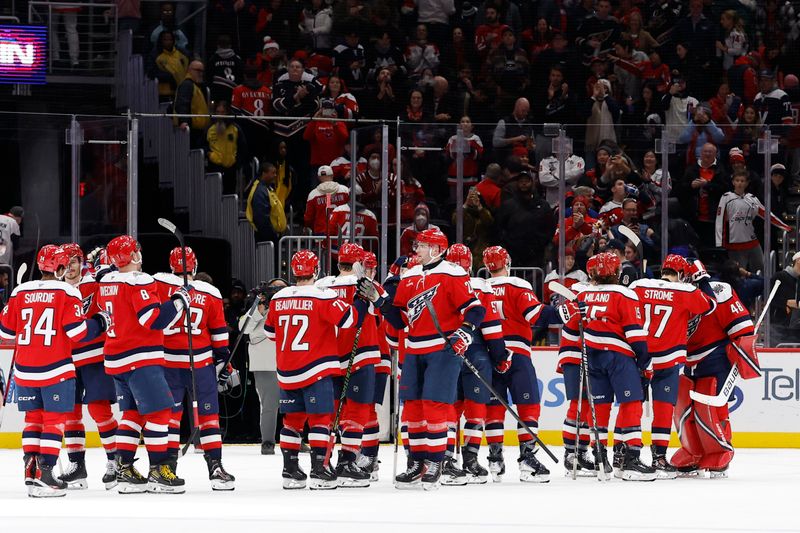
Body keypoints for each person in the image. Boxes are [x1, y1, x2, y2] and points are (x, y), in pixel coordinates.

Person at [0, 245, 109, 497]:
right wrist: (100, 322)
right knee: (54, 421)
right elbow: (78, 333)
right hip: (55, 369)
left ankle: (31, 472)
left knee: (33, 420)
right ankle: (46, 472)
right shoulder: (67, 292)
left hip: (25, 371)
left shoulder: (20, 292)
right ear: (60, 268)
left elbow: (6, 332)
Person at [380, 228, 485, 490]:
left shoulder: (453, 273)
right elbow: (399, 319)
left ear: (437, 249)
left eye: (423, 245)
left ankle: (437, 461)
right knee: (413, 407)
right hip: (414, 349)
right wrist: (380, 301)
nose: (417, 249)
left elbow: (475, 309)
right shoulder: (411, 275)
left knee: (435, 405)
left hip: (442, 349)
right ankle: (416, 462)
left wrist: (466, 332)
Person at [96, 235, 193, 494]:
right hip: (140, 358)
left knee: (132, 415)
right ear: (134, 255)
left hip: (116, 359)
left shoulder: (106, 281)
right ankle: (159, 471)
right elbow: (152, 319)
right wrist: (178, 301)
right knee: (161, 414)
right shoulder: (139, 280)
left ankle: (124, 469)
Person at [264, 250, 368, 490]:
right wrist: (361, 301)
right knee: (321, 419)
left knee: (292, 420)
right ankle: (320, 469)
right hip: (316, 368)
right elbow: (350, 320)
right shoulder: (323, 296)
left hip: (287, 370)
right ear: (317, 270)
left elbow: (271, 334)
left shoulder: (278, 297)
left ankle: (290, 470)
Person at [563, 251, 656, 480]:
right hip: (618, 357)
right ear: (617, 272)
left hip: (591, 356)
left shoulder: (583, 293)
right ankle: (631, 460)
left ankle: (599, 456)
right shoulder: (624, 294)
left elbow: (570, 327)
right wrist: (646, 363)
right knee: (631, 402)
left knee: (599, 408)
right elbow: (635, 334)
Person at [153, 247, 236, 490]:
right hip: (200, 365)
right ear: (195, 266)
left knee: (170, 418)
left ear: (171, 266)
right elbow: (220, 336)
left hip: (167, 364)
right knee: (209, 417)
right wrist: (223, 361)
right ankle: (215, 467)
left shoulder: (158, 285)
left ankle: (167, 468)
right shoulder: (210, 292)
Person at [628, 255, 716, 478]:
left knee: (632, 408)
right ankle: (658, 458)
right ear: (682, 274)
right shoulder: (685, 291)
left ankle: (626, 454)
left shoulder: (639, 285)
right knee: (663, 409)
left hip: (639, 356)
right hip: (667, 358)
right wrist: (703, 277)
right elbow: (711, 305)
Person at [672, 259, 755, 477]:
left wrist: (742, 351)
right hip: (688, 360)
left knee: (709, 405)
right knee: (683, 406)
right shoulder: (674, 293)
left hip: (715, 357)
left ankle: (720, 452)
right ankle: (692, 451)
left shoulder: (720, 291)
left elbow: (743, 326)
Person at [315, 243, 387, 487]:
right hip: (360, 355)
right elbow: (387, 314)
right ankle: (347, 461)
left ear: (338, 263)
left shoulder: (321, 286)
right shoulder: (367, 286)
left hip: (327, 356)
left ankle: (322, 463)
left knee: (329, 411)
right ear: (359, 264)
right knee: (357, 411)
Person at [481, 246, 548, 483]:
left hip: (491, 355)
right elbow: (535, 315)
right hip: (517, 354)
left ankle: (495, 459)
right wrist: (563, 312)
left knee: (494, 408)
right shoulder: (518, 285)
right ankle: (528, 460)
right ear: (507, 262)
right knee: (528, 406)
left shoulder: (481, 288)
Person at [442, 244, 506, 484]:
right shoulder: (482, 287)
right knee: (476, 409)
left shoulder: (440, 281)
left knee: (449, 407)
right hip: (476, 353)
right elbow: (491, 329)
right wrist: (500, 358)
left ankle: (446, 459)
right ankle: (470, 460)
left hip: (447, 351)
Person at [59, 244, 118, 490]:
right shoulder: (58, 290)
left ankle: (116, 462)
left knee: (98, 410)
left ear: (82, 262)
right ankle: (76, 466)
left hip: (95, 357)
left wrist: (108, 268)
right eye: (65, 262)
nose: (70, 267)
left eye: (74, 261)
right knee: (70, 413)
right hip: (67, 360)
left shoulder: (95, 283)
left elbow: (114, 288)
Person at [239, 277, 288, 455]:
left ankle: (294, 440)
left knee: (295, 403)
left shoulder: (289, 303)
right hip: (265, 361)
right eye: (273, 289)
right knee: (269, 404)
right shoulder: (259, 303)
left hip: (290, 360)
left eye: (281, 289)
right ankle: (268, 442)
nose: (277, 292)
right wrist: (260, 309)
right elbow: (242, 328)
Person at [715, 169, 791, 272]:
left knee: (761, 269)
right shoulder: (726, 198)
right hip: (735, 243)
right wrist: (719, 243)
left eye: (742, 181)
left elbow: (767, 214)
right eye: (737, 180)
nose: (740, 183)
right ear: (733, 182)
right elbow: (719, 221)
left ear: (746, 183)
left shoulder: (751, 198)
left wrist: (784, 226)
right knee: (739, 273)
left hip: (752, 242)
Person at [495, 172, 555, 268]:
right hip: (513, 254)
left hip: (536, 254)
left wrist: (541, 244)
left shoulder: (543, 205)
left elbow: (550, 227)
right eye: (521, 181)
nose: (524, 183)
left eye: (526, 181)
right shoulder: (508, 205)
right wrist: (508, 244)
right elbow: (500, 227)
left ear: (532, 183)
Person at [206, 100, 248, 195]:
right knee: (214, 194)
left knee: (229, 195)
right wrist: (209, 154)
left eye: (223, 112)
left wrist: (237, 162)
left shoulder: (235, 129)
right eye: (218, 112)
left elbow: (243, 147)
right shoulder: (209, 129)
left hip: (231, 169)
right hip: (214, 168)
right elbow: (203, 145)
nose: (220, 115)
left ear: (228, 113)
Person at [303, 165, 350, 235]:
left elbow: (308, 218)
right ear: (332, 175)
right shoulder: (345, 190)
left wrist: (307, 227)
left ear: (318, 178)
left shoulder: (313, 194)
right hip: (341, 232)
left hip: (321, 232)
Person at [174, 60, 210, 149]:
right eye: (198, 70)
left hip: (199, 131)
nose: (200, 73)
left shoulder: (198, 86)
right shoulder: (187, 85)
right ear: (190, 70)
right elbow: (182, 104)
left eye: (202, 71)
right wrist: (183, 121)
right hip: (191, 131)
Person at [148, 30, 189, 101]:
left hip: (182, 90)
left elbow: (188, 67)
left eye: (170, 39)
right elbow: (151, 72)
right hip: (165, 91)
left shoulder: (181, 53)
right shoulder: (155, 55)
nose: (168, 42)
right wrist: (169, 76)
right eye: (165, 40)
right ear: (161, 41)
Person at [207, 34, 244, 104]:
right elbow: (241, 77)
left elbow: (208, 76)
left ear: (218, 46)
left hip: (216, 93)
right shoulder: (237, 59)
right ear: (230, 46)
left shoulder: (213, 59)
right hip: (233, 93)